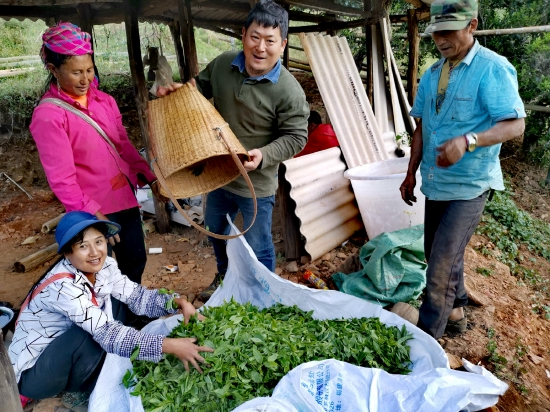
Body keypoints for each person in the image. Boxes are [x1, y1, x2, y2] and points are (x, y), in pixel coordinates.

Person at [400, 0, 526, 339]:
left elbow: (515, 126)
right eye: (436, 32)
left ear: (471, 25)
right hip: (436, 182)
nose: (441, 39)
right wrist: (410, 172)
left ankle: (425, 343)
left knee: (439, 269)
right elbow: (422, 127)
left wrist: (469, 140)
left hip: (470, 187)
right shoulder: (432, 73)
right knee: (436, 253)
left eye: (449, 31)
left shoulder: (492, 68)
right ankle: (455, 314)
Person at [174, 0, 308, 301]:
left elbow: (296, 137)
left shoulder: (288, 91)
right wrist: (179, 92)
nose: (261, 47)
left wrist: (263, 156)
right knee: (217, 230)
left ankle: (262, 294)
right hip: (218, 175)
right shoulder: (223, 64)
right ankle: (223, 279)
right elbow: (199, 89)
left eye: (270, 40)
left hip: (256, 184)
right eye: (255, 37)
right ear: (243, 34)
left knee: (257, 244)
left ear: (283, 44)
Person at [9, 211, 213, 406]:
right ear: (67, 253)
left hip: (60, 351)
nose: (95, 252)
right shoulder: (62, 287)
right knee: (89, 333)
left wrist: (178, 302)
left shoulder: (104, 265)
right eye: (83, 246)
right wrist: (170, 346)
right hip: (35, 374)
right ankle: (79, 388)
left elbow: (136, 296)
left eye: (99, 242)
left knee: (116, 302)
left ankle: (93, 370)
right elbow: (108, 334)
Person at [29, 22, 167, 288]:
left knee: (134, 262)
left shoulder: (105, 101)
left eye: (89, 70)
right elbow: (62, 179)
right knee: (101, 274)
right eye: (76, 72)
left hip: (124, 199)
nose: (85, 79)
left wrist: (150, 178)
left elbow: (123, 147)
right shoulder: (49, 116)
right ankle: (108, 325)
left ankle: (132, 320)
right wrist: (92, 214)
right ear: (53, 69)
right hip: (92, 208)